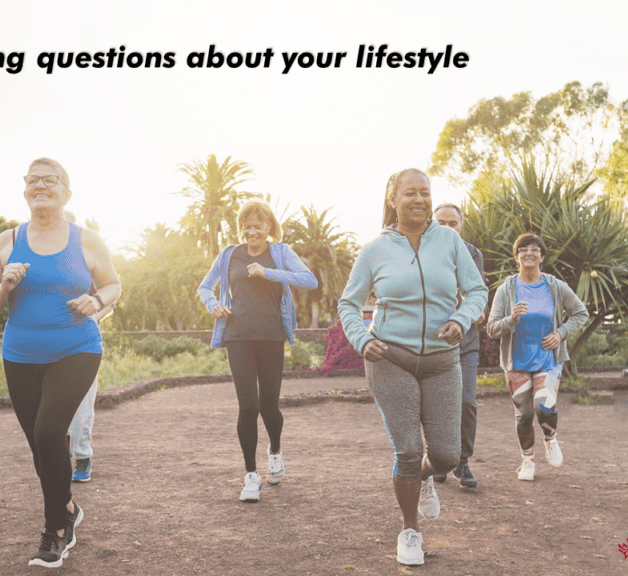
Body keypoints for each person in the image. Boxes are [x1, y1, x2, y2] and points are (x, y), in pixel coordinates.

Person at [337, 169, 487, 566]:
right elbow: (348, 303)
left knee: (446, 456)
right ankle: (409, 532)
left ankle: (423, 480)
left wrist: (463, 317)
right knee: (407, 450)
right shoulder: (375, 249)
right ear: (393, 198)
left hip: (441, 360)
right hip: (391, 357)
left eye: (426, 193)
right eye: (411, 194)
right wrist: (363, 339)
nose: (419, 200)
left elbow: (476, 290)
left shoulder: (450, 241)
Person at [0, 158, 121, 568]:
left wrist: (96, 300)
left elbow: (114, 283)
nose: (42, 186)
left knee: (49, 430)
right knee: (42, 446)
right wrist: (4, 285)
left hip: (77, 347)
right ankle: (69, 510)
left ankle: (54, 531)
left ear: (66, 191)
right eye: (34, 180)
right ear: (24, 189)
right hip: (20, 355)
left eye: (51, 180)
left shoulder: (86, 240)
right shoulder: (6, 241)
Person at [197, 200, 317, 503]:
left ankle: (275, 451)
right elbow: (204, 287)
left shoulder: (280, 253)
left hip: (272, 337)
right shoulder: (228, 255)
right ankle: (251, 475)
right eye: (247, 225)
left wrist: (268, 273)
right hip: (237, 337)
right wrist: (213, 304)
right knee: (248, 407)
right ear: (241, 228)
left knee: (269, 407)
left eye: (258, 225)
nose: (252, 230)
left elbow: (309, 280)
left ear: (269, 227)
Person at [486, 233, 588, 482]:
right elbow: (491, 328)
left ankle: (551, 438)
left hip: (547, 359)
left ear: (542, 256)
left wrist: (561, 333)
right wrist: (511, 319)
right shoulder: (506, 289)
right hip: (516, 361)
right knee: (524, 414)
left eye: (534, 249)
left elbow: (580, 313)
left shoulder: (554, 286)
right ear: (516, 257)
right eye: (523, 249)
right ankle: (528, 461)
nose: (529, 253)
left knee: (543, 404)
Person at [431, 203, 485, 488]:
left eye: (454, 223)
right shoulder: (421, 249)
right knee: (436, 406)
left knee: (465, 402)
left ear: (461, 225)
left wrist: (473, 310)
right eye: (442, 222)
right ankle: (440, 459)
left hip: (465, 342)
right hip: (432, 341)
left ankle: (462, 461)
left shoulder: (473, 253)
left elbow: (477, 294)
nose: (448, 227)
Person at [62, 211, 115, 484]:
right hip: (46, 342)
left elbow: (110, 296)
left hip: (83, 340)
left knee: (83, 402)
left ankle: (82, 457)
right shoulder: (34, 255)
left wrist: (94, 313)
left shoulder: (86, 256)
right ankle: (58, 457)